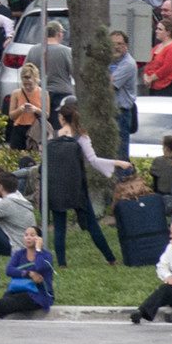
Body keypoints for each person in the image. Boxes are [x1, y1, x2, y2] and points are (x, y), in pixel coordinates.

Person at [42, 102, 122, 265]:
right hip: (76, 187)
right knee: (92, 225)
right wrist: (117, 163)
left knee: (59, 227)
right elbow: (93, 160)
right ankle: (110, 258)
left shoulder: (53, 136)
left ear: (62, 119)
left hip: (56, 186)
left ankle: (62, 263)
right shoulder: (81, 137)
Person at [0, 227, 54, 320]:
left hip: (38, 294)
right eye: (26, 235)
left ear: (39, 239)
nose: (28, 237)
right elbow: (9, 270)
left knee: (18, 300)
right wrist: (28, 274)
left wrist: (38, 250)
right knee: (8, 299)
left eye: (32, 235)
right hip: (17, 290)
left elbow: (39, 267)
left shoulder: (46, 255)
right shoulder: (19, 254)